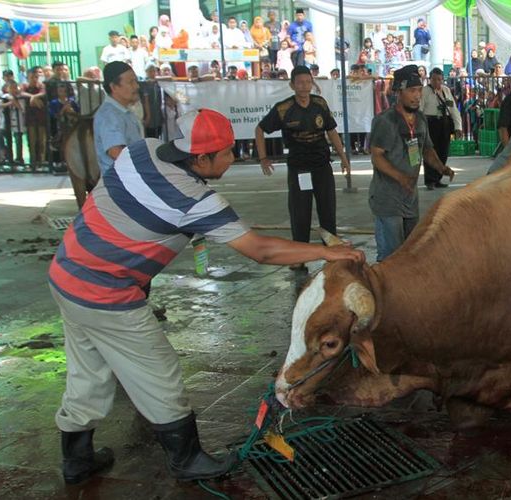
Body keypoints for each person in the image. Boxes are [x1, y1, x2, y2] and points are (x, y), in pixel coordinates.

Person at [48, 107, 365, 485]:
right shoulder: (194, 200)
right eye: (227, 152)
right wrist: (326, 252)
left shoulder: (140, 150)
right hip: (107, 292)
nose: (233, 158)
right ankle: (187, 459)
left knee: (88, 372)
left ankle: (77, 459)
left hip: (65, 272)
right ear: (200, 158)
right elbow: (260, 250)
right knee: (158, 370)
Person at [254, 66, 352, 270]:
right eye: (300, 83)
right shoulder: (284, 108)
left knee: (327, 210)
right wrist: (263, 158)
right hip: (299, 169)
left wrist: (343, 157)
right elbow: (260, 129)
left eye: (308, 82)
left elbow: (332, 132)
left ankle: (331, 253)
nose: (304, 87)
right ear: (292, 85)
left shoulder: (319, 104)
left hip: (322, 165)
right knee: (300, 212)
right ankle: (298, 258)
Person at [367, 65, 454, 262]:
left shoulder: (421, 119)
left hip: (409, 199)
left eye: (419, 90)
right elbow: (377, 156)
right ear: (399, 91)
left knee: (409, 253)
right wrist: (401, 177)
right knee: (390, 256)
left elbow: (427, 149)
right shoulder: (385, 121)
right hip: (387, 199)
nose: (417, 96)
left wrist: (441, 167)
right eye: (412, 91)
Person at [93, 62, 144, 175]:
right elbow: (116, 152)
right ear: (114, 87)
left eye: (135, 81)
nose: (137, 86)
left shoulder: (123, 112)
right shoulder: (109, 115)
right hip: (121, 184)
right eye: (131, 82)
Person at [421, 67, 462, 190]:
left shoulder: (446, 91)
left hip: (444, 123)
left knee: (443, 152)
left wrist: (458, 127)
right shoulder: (424, 91)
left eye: (439, 79)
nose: (437, 82)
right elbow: (420, 110)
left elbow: (454, 110)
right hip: (430, 122)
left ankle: (438, 178)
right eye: (434, 79)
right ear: (430, 79)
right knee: (430, 151)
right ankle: (430, 180)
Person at [20, 66, 47, 169]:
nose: (34, 79)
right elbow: (21, 92)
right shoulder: (25, 86)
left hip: (41, 117)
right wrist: (32, 97)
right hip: (30, 118)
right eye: (31, 77)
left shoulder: (41, 86)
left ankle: (42, 162)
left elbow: (43, 93)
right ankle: (33, 162)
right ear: (28, 77)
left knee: (42, 141)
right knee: (32, 141)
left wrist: (34, 97)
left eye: (36, 77)